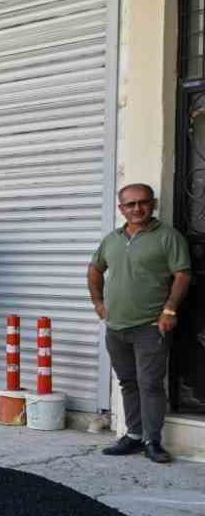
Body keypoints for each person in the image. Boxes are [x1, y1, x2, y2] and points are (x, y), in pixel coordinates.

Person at [88, 182, 191, 464]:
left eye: (142, 202)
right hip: (116, 326)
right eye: (130, 204)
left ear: (153, 204)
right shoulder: (112, 239)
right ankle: (133, 435)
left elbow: (182, 275)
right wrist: (98, 303)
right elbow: (95, 268)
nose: (137, 208)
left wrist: (169, 310)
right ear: (121, 208)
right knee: (128, 382)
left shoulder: (168, 236)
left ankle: (152, 441)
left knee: (150, 384)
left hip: (149, 326)